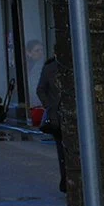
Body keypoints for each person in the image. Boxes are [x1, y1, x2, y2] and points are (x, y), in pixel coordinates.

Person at [36, 54, 67, 193]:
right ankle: (66, 179)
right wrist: (50, 107)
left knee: (64, 150)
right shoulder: (50, 68)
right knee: (62, 149)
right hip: (58, 116)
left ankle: (67, 179)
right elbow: (40, 90)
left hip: (67, 114)